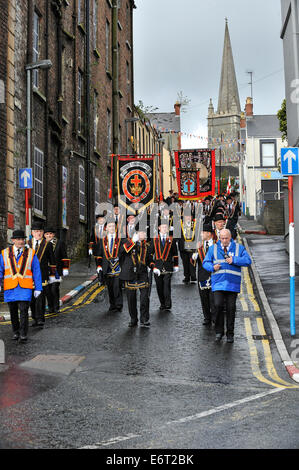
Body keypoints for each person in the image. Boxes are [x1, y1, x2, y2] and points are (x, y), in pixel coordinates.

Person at [202, 228, 251, 343]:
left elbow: (248, 261)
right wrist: (212, 267)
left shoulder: (239, 248)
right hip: (218, 283)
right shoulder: (213, 248)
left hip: (232, 284)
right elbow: (206, 262)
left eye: (226, 238)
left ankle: (230, 333)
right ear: (219, 238)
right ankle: (219, 331)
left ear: (230, 238)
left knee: (231, 308)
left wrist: (234, 259)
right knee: (218, 305)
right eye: (222, 238)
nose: (224, 240)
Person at [0, 230, 42, 342]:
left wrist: (38, 288)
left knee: (24, 311)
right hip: (10, 288)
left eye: (22, 239)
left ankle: (23, 334)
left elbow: (36, 271)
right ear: (13, 240)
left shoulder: (31, 253)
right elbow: (0, 270)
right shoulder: (4, 253)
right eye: (18, 239)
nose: (21, 241)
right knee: (13, 312)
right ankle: (16, 332)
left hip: (25, 287)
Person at [119, 226, 151, 327]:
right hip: (130, 273)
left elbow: (149, 259)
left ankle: (144, 319)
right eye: (143, 233)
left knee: (145, 297)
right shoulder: (126, 241)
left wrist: (153, 266)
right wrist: (132, 242)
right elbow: (121, 252)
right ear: (137, 233)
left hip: (142, 273)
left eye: (145, 233)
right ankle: (133, 319)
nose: (145, 235)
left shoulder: (146, 245)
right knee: (131, 298)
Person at [29, 222, 57, 327]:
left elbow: (52, 261)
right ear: (32, 233)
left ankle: (40, 318)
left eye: (40, 231)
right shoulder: (27, 244)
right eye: (36, 231)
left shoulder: (47, 244)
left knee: (40, 298)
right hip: (29, 276)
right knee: (31, 299)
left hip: (42, 275)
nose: (39, 233)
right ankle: (35, 318)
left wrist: (53, 276)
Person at [149, 218, 179, 311]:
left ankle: (167, 304)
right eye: (163, 227)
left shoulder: (171, 240)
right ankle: (162, 303)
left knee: (166, 286)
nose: (165, 228)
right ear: (159, 228)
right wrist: (152, 265)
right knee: (159, 286)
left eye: (166, 227)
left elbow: (175, 253)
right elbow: (150, 254)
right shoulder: (154, 239)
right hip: (157, 267)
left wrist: (176, 265)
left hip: (168, 266)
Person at [94, 218, 123, 313]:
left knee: (117, 286)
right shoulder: (102, 241)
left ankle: (119, 304)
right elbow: (99, 255)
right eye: (109, 226)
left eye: (113, 226)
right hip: (107, 267)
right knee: (110, 287)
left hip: (118, 267)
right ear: (106, 228)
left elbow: (125, 252)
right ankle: (112, 304)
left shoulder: (120, 240)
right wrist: (98, 267)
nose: (111, 228)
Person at [191, 223, 216, 325]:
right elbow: (192, 262)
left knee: (213, 298)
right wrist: (194, 255)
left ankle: (215, 317)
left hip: (214, 275)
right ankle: (207, 318)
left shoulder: (216, 244)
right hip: (202, 275)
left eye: (202, 232)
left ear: (208, 233)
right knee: (204, 298)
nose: (201, 234)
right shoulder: (199, 244)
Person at [44, 227, 70, 314]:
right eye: (47, 234)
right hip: (45, 271)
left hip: (56, 271)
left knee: (54, 289)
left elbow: (64, 255)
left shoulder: (60, 243)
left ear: (54, 234)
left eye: (51, 234)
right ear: (44, 235)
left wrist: (65, 268)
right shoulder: (42, 244)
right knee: (47, 290)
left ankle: (56, 307)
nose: (49, 235)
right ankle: (50, 307)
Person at [179, 214, 197, 284]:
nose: (188, 217)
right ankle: (186, 276)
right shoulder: (180, 224)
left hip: (192, 245)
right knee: (185, 262)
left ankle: (193, 276)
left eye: (189, 216)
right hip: (183, 245)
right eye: (187, 216)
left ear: (192, 217)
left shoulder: (195, 224)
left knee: (192, 261)